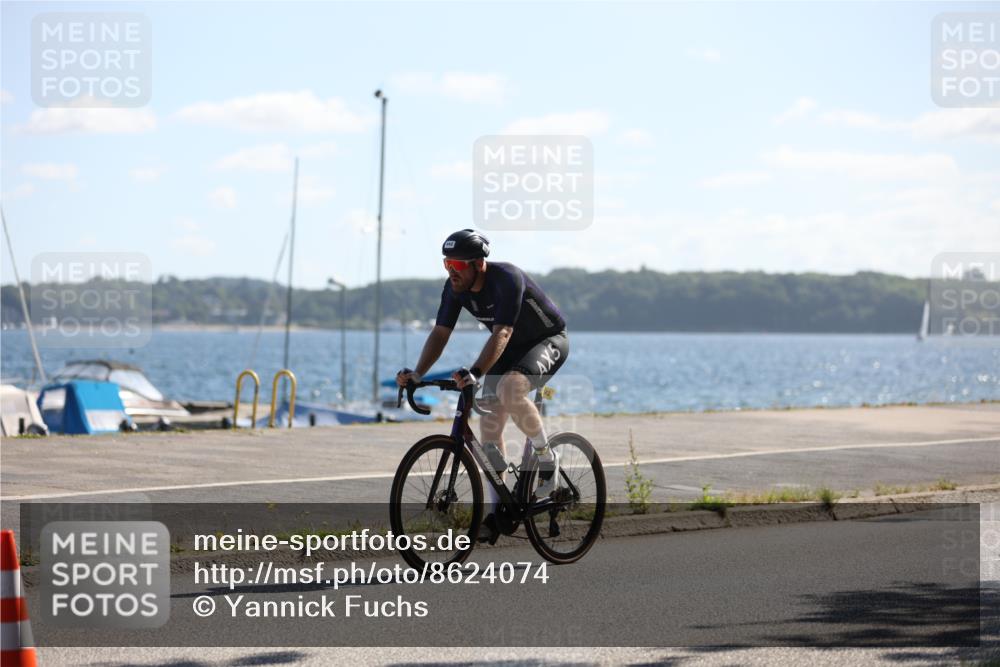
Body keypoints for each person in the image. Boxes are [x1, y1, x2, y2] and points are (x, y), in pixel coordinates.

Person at [396, 229, 569, 539]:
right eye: (447, 264)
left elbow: (502, 333)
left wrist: (475, 371)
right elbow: (440, 334)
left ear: (479, 264)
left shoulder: (506, 278)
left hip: (546, 340)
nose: (452, 272)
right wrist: (418, 374)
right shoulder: (454, 289)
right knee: (490, 419)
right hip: (510, 345)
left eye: (458, 266)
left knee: (510, 389)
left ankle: (546, 457)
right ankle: (496, 512)